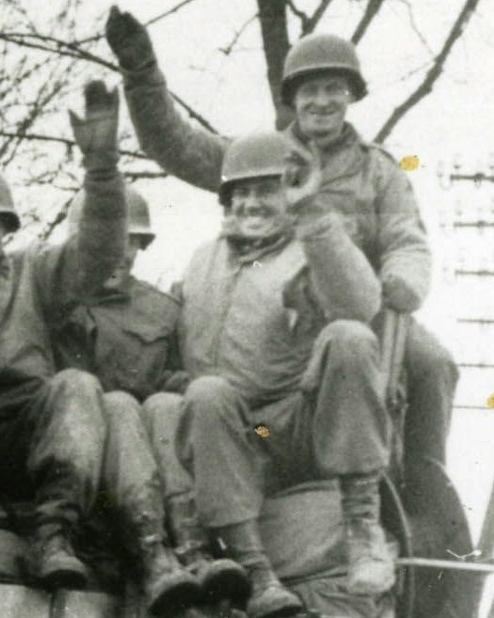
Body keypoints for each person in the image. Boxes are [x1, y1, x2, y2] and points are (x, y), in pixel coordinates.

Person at [0, 83, 199, 617]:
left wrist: (101, 172)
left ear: (8, 231)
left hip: (30, 439)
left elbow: (95, 252)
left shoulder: (35, 272)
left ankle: (54, 534)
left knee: (80, 387)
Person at [106, 10, 458, 477]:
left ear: (351, 94)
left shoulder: (378, 172)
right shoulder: (260, 158)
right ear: (293, 98)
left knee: (433, 363)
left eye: (334, 89)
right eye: (310, 91)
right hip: (273, 313)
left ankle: (422, 480)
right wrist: (141, 72)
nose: (322, 102)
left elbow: (407, 240)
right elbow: (175, 144)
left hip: (359, 311)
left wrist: (398, 286)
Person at [171, 130, 397, 618]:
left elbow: (361, 304)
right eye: (241, 192)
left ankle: (362, 527)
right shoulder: (199, 263)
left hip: (293, 430)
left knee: (350, 338)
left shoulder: (308, 251)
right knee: (205, 392)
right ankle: (256, 571)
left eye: (266, 190)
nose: (252, 203)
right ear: (227, 201)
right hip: (245, 436)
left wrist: (312, 213)